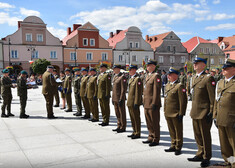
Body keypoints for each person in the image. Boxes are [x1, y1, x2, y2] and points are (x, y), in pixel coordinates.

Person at [187, 56, 215, 167]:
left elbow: (212, 98)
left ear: (203, 65)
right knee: (197, 135)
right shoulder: (194, 78)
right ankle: (200, 153)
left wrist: (212, 112)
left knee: (205, 135)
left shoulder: (208, 78)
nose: (194, 65)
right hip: (195, 111)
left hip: (204, 112)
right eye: (194, 63)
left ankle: (206, 157)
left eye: (197, 63)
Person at [213, 59, 235, 168]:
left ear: (233, 70)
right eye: (223, 68)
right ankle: (229, 162)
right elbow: (216, 100)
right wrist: (215, 116)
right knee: (224, 143)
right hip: (221, 118)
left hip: (232, 119)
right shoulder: (220, 82)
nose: (223, 70)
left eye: (226, 68)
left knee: (233, 144)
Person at [164, 67, 187, 155]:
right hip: (168, 112)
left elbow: (183, 101)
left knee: (178, 131)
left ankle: (178, 147)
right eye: (168, 74)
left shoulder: (179, 86)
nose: (168, 76)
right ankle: (173, 145)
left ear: (175, 75)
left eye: (170, 74)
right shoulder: (168, 85)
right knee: (171, 130)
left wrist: (181, 113)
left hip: (176, 113)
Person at [142, 59, 161, 147]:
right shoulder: (147, 76)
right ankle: (150, 136)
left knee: (154, 121)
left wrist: (154, 103)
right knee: (148, 121)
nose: (147, 67)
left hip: (153, 103)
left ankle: (156, 138)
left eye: (149, 65)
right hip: (146, 102)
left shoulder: (156, 76)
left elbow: (156, 91)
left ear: (153, 66)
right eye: (147, 65)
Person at [127, 64, 143, 139]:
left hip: (134, 102)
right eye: (129, 70)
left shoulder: (137, 79)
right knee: (132, 118)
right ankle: (134, 131)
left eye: (130, 70)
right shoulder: (131, 79)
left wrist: (137, 102)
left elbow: (138, 92)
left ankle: (137, 132)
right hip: (130, 102)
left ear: (134, 70)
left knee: (136, 118)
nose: (129, 71)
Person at [112, 64, 127, 133]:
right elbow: (114, 89)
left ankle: (123, 127)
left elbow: (123, 89)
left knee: (121, 113)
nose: (114, 70)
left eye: (115, 69)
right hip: (115, 98)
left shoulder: (122, 77)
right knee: (117, 113)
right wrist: (112, 98)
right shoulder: (115, 77)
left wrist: (121, 98)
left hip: (120, 98)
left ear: (118, 69)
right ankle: (119, 125)